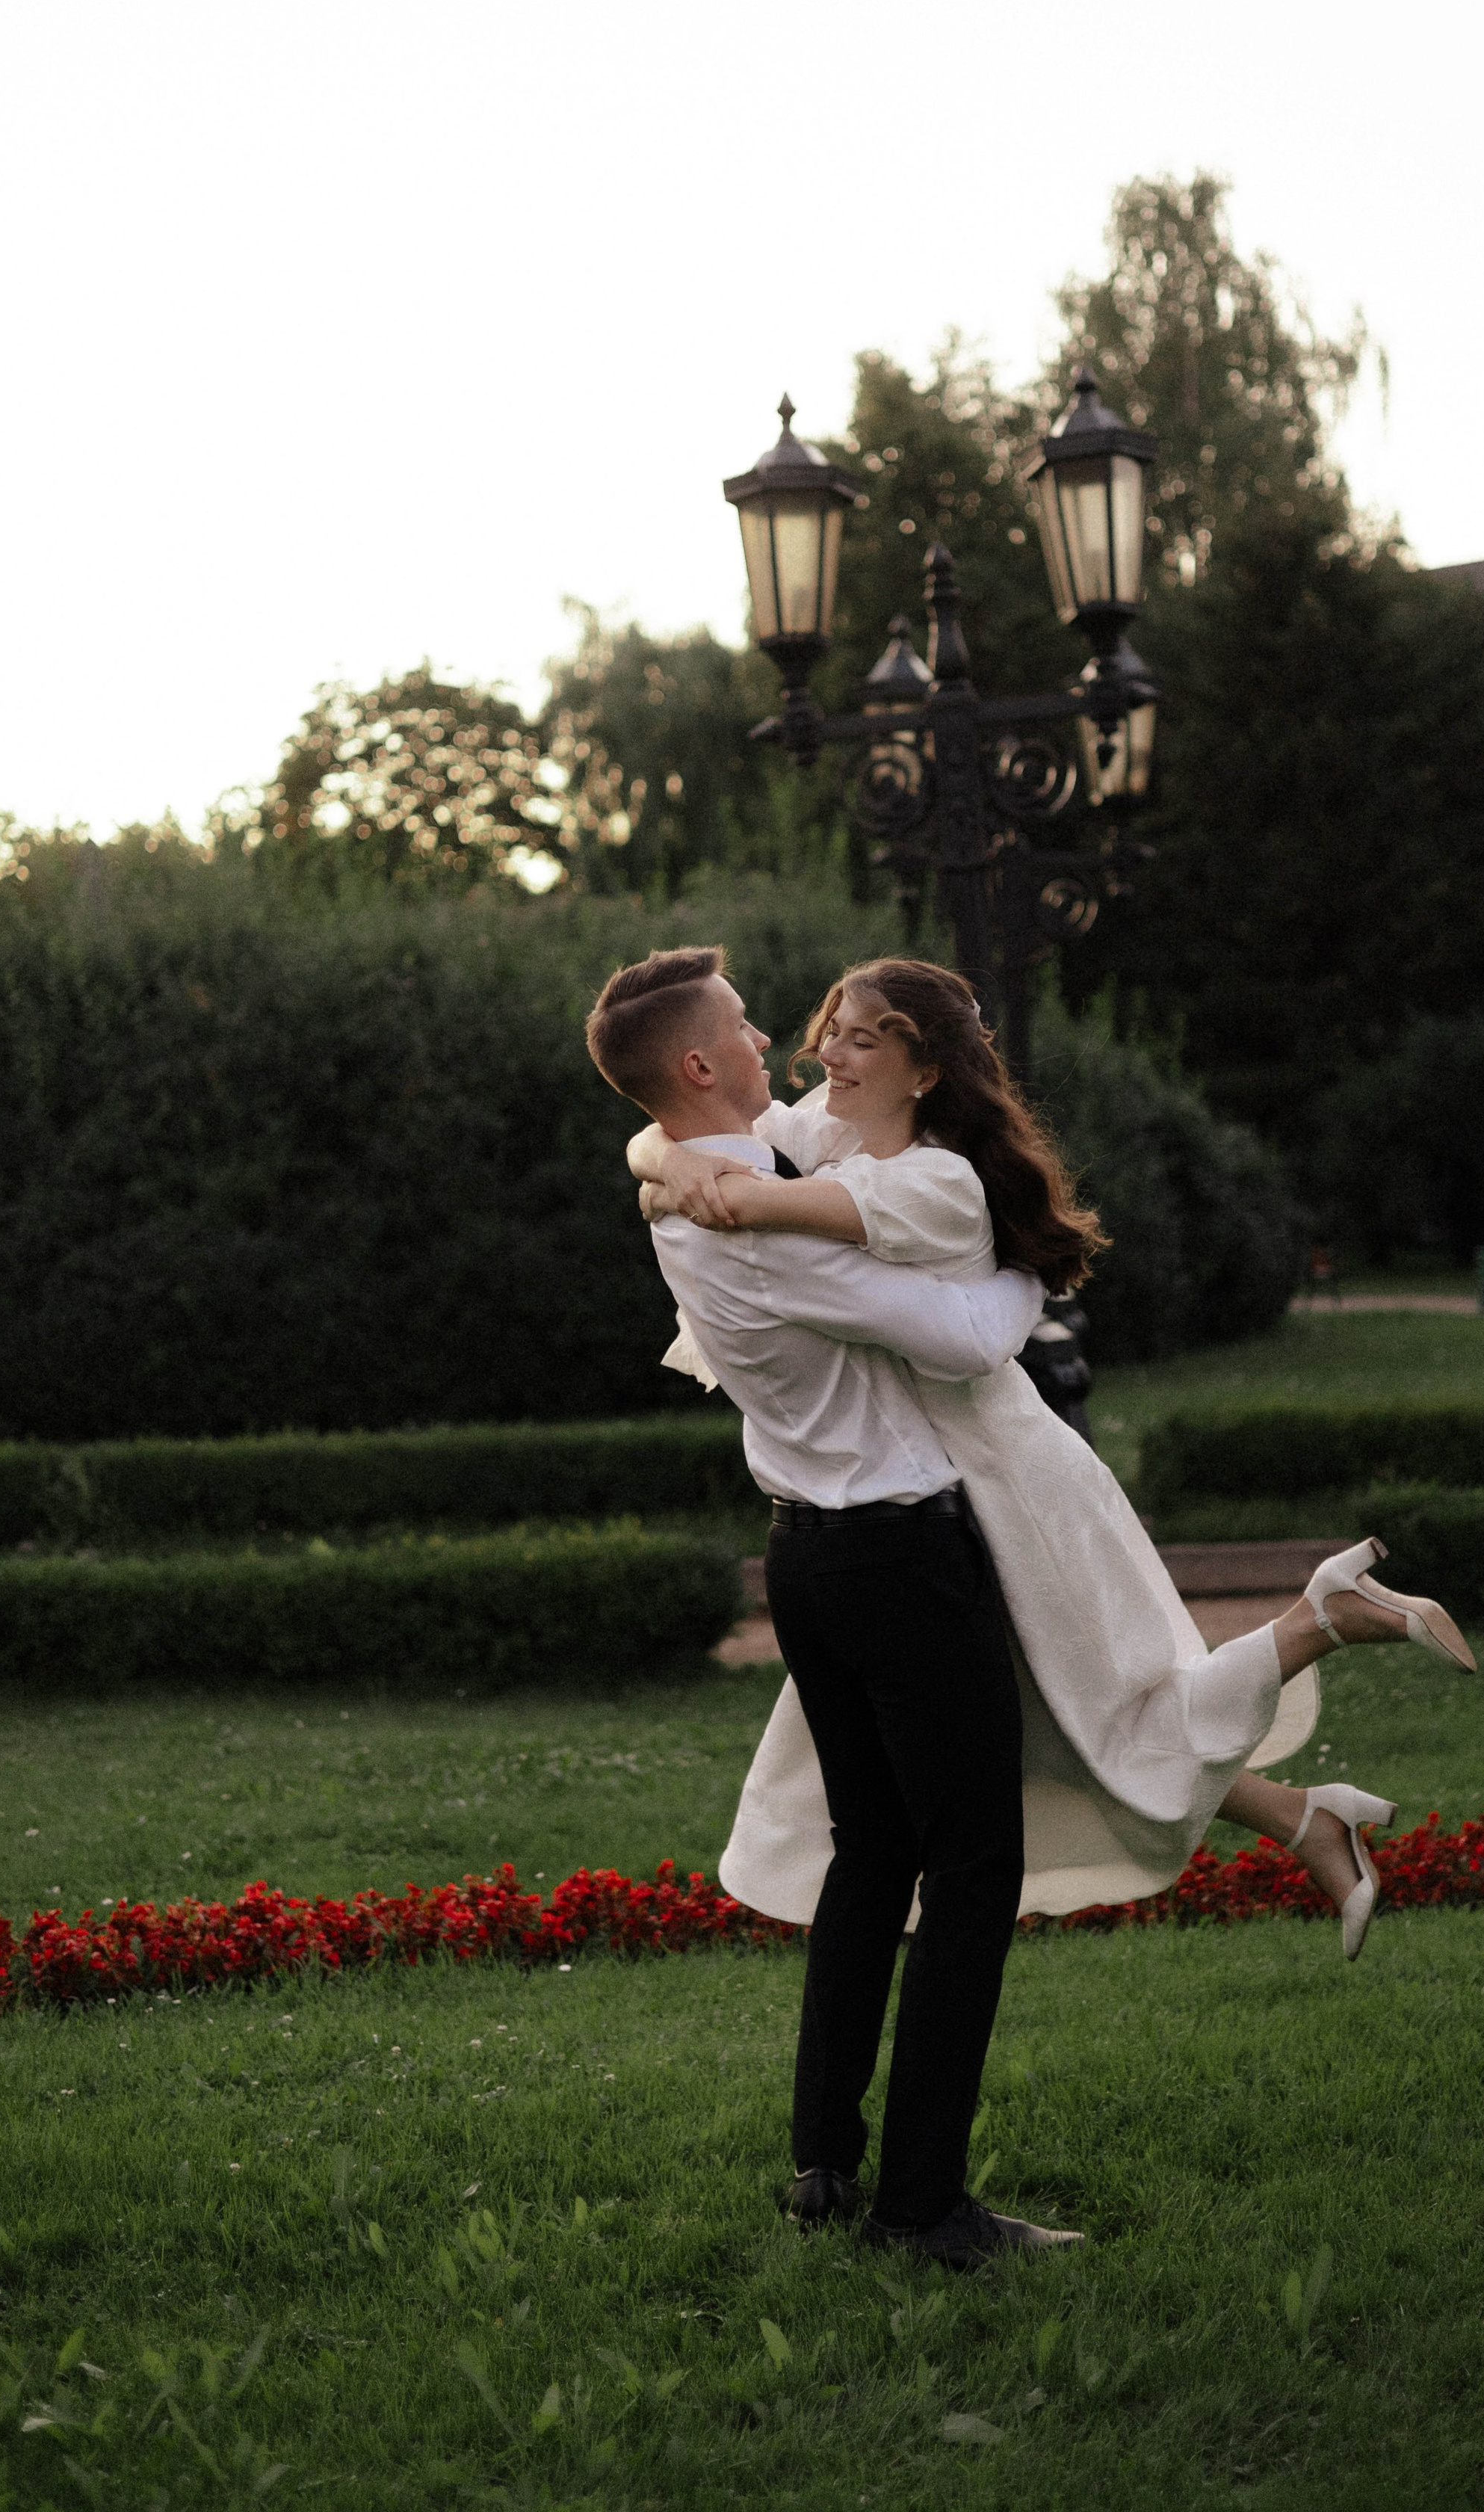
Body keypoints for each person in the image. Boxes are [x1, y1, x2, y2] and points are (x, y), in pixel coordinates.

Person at [628, 959, 1478, 1975]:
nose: (818, 1051)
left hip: (1007, 1477)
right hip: (948, 1478)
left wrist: (701, 1190)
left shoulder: (935, 1179)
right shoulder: (831, 1129)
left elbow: (860, 1263)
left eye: (859, 1037)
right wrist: (662, 1161)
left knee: (1104, 1711)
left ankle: (1318, 1629)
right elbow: (691, 1127)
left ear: (924, 1068)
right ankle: (1307, 1813)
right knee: (1062, 1721)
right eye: (831, 1031)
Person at [585, 945, 1073, 2271]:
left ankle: (824, 2167)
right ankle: (924, 2210)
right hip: (898, 1557)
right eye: (746, 1027)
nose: (777, 1043)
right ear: (699, 1064)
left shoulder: (710, 1176)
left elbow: (669, 1145)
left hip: (808, 1559)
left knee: (874, 1855)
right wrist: (1039, 1270)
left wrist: (653, 1154)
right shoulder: (747, 1224)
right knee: (973, 1870)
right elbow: (973, 1339)